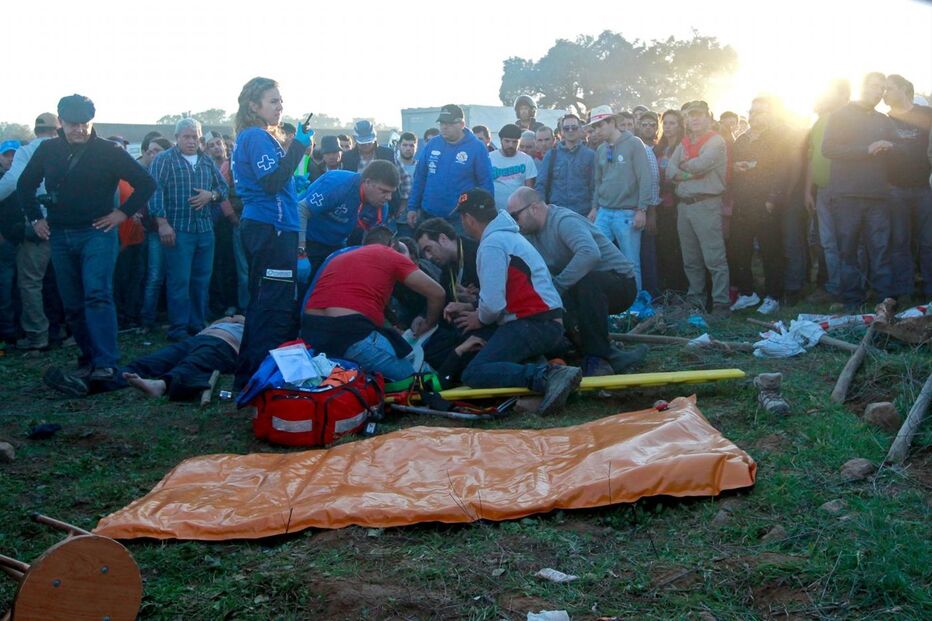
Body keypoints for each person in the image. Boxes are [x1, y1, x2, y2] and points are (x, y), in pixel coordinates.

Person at [17, 94, 156, 380]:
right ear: (61, 123)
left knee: (97, 294)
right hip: (60, 233)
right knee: (72, 301)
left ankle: (106, 362)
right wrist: (36, 219)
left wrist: (122, 213)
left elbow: (145, 183)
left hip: (98, 232)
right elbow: (24, 185)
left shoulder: (109, 151)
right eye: (73, 124)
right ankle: (87, 356)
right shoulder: (47, 150)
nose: (79, 129)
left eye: (85, 124)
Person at [443, 188, 582, 416]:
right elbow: (507, 294)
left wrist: (478, 317)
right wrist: (474, 308)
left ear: (467, 219)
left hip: (534, 323)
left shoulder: (492, 244)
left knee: (474, 372)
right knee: (490, 348)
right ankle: (549, 370)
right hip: (543, 321)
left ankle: (548, 375)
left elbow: (494, 306)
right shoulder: (507, 237)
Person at [230, 77, 313, 391]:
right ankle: (262, 380)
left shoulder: (260, 136)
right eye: (273, 101)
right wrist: (299, 147)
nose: (280, 107)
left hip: (272, 228)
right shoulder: (256, 136)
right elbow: (271, 182)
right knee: (274, 305)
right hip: (271, 228)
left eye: (281, 101)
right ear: (254, 106)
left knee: (263, 301)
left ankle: (249, 375)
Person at [507, 187, 643, 376]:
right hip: (584, 287)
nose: (515, 222)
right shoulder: (529, 235)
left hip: (620, 283)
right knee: (554, 294)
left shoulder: (563, 221)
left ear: (534, 208)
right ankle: (577, 349)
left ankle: (601, 356)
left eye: (515, 216)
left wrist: (558, 286)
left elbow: (590, 254)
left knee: (584, 284)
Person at [300, 229, 445, 381]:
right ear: (392, 244)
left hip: (311, 335)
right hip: (349, 333)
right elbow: (437, 293)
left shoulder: (341, 256)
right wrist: (428, 322)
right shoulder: (389, 254)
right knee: (417, 378)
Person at [821, 72, 897, 309]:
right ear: (862, 87)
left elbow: (896, 153)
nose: (879, 92)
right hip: (847, 196)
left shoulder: (884, 120)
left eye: (883, 88)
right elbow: (829, 149)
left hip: (878, 196)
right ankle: (852, 301)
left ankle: (885, 302)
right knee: (848, 251)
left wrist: (892, 148)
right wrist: (867, 149)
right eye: (875, 86)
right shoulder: (840, 115)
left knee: (881, 250)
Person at [149, 118, 229, 341]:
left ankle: (197, 324)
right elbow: (155, 192)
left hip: (205, 229)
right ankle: (178, 328)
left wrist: (210, 195)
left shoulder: (206, 161)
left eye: (195, 137)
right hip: (178, 229)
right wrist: (162, 223)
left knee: (202, 279)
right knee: (179, 280)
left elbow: (222, 188)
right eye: (187, 136)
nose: (192, 141)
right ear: (177, 138)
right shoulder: (164, 160)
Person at [44, 315, 244, 400]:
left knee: (193, 364)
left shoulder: (260, 323)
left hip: (224, 347)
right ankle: (89, 385)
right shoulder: (232, 318)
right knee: (145, 363)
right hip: (196, 340)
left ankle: (161, 385)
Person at [0, 113, 63, 351]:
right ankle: (63, 331)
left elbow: (13, 181)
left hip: (39, 225)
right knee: (62, 281)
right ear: (58, 129)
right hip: (69, 225)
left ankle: (38, 335)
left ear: (36, 130)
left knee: (30, 282)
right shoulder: (69, 149)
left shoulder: (28, 151)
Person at [728, 97, 792, 315]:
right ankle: (748, 293)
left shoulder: (777, 139)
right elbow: (731, 167)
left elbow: (781, 171)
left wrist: (772, 199)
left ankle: (773, 295)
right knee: (740, 249)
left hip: (766, 202)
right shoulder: (741, 140)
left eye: (761, 112)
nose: (756, 116)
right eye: (753, 112)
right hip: (742, 202)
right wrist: (736, 167)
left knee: (770, 251)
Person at [666, 100, 731, 316]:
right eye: (690, 115)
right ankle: (696, 300)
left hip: (706, 204)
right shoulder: (684, 142)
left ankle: (721, 303)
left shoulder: (715, 141)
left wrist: (682, 169)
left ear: (708, 117)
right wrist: (689, 171)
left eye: (698, 114)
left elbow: (701, 165)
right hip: (685, 207)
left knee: (714, 257)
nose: (693, 119)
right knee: (690, 258)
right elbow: (669, 171)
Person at [587, 105, 652, 290]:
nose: (597, 130)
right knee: (595, 257)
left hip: (627, 213)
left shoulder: (634, 144)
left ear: (612, 122)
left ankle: (635, 306)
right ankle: (609, 302)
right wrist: (594, 207)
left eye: (600, 125)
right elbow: (598, 181)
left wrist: (642, 209)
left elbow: (645, 178)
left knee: (631, 262)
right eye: (595, 127)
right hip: (604, 212)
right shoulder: (601, 149)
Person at [297, 161, 398, 281]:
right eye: (384, 191)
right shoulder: (338, 185)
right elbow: (301, 210)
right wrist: (300, 252)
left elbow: (373, 239)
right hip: (306, 237)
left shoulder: (381, 206)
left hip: (336, 244)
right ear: (367, 182)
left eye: (391, 192)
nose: (389, 198)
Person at [406, 104, 493, 234]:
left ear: (462, 124)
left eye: (450, 123)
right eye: (441, 123)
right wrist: (412, 207)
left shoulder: (477, 147)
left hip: (460, 220)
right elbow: (420, 178)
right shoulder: (433, 144)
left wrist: (484, 215)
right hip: (428, 216)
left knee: (460, 254)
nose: (444, 127)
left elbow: (486, 184)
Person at [884, 74, 932, 303]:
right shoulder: (884, 119)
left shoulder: (926, 114)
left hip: (925, 188)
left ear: (904, 89)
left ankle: (930, 289)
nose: (884, 93)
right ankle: (905, 291)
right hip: (895, 190)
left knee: (928, 241)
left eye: (889, 88)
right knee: (899, 242)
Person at [804, 79, 851, 303]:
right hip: (823, 191)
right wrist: (807, 191)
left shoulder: (853, 120)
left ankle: (851, 290)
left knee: (849, 243)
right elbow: (812, 159)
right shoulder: (820, 121)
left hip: (848, 191)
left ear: (844, 96)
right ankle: (834, 289)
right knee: (828, 243)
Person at [654, 109, 689, 292]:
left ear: (680, 125)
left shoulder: (684, 147)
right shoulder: (658, 149)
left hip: (679, 203)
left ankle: (682, 288)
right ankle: (670, 288)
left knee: (680, 248)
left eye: (672, 123)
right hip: (661, 206)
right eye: (665, 123)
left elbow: (687, 174)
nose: (668, 127)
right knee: (665, 247)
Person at [535, 113, 595, 216]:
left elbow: (595, 186)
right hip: (556, 214)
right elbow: (541, 184)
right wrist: (542, 210)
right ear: (562, 131)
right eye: (566, 128)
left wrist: (594, 209)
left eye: (574, 127)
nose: (570, 131)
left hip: (583, 214)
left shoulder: (590, 155)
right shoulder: (551, 155)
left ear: (580, 130)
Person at [634, 111, 663, 296]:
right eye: (644, 124)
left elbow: (652, 184)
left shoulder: (653, 151)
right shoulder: (634, 147)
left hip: (648, 208)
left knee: (647, 252)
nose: (648, 128)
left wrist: (650, 213)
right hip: (630, 209)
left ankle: (652, 293)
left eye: (652, 124)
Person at [490, 124, 537, 211]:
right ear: (501, 140)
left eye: (515, 142)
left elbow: (529, 190)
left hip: (519, 213)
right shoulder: (489, 158)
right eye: (507, 141)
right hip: (494, 211)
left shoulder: (527, 160)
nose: (511, 145)